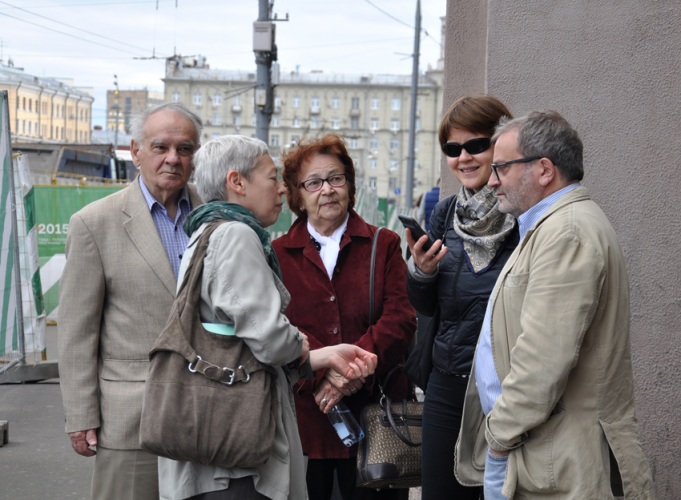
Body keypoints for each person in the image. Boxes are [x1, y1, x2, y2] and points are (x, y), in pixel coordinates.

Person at [158, 134, 378, 500]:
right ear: (237, 182)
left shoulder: (204, 231)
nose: (280, 190)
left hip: (213, 436)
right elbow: (268, 337)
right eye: (272, 177)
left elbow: (235, 333)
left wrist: (322, 355)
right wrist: (300, 343)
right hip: (237, 451)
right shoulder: (236, 235)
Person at [455, 111, 655, 499]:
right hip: (541, 452)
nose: (492, 181)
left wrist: (498, 439)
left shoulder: (567, 232)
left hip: (553, 460)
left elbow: (542, 362)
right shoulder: (550, 227)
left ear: (544, 170)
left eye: (501, 168)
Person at [58, 102, 203, 500]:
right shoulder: (94, 223)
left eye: (185, 149)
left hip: (209, 414)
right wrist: (81, 415)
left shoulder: (215, 216)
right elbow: (76, 332)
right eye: (160, 147)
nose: (173, 158)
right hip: (131, 419)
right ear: (135, 151)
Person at [272, 134, 417, 500]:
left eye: (336, 179)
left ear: (350, 186)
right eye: (314, 182)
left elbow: (400, 318)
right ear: (297, 195)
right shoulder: (276, 253)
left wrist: (346, 374)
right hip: (307, 422)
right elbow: (278, 326)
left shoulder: (383, 243)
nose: (328, 190)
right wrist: (324, 372)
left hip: (376, 422)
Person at [405, 95, 518, 500]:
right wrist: (422, 272)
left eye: (476, 145)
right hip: (447, 384)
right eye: (453, 149)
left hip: (502, 390)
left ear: (500, 146)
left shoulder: (523, 216)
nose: (463, 158)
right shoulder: (445, 213)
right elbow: (428, 308)